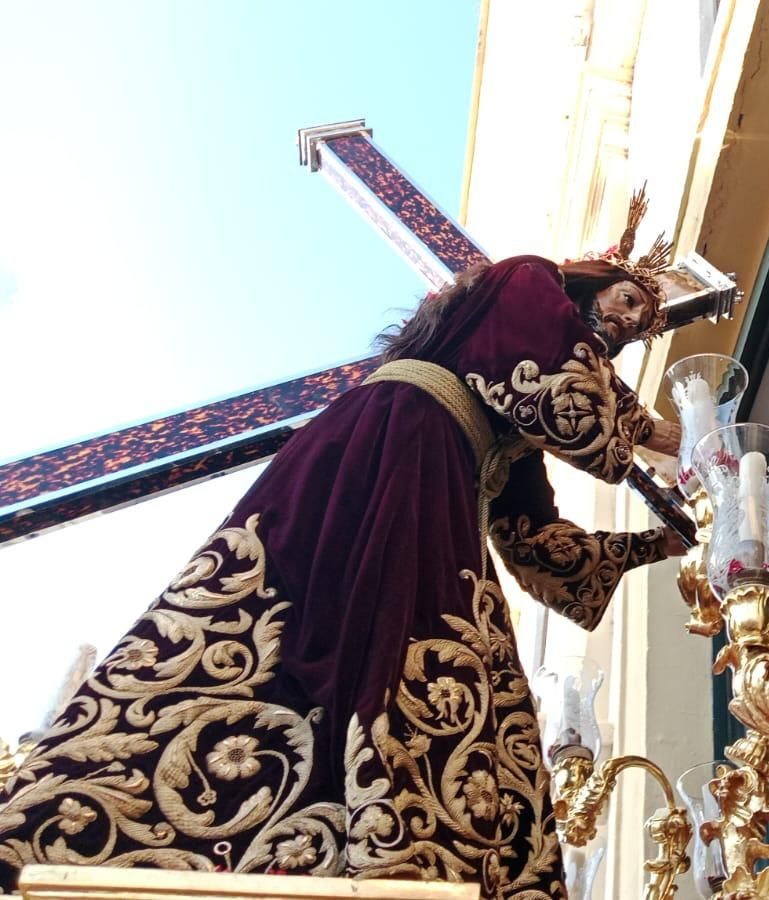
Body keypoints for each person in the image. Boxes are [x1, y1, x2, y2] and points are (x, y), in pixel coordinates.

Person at [0, 195, 687, 899]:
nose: (629, 321)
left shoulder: (504, 434)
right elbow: (547, 373)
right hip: (390, 449)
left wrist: (656, 543)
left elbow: (531, 536)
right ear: (591, 280)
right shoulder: (527, 281)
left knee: (456, 663)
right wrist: (670, 433)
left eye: (640, 325)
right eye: (629, 299)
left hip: (443, 491)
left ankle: (394, 839)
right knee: (343, 627)